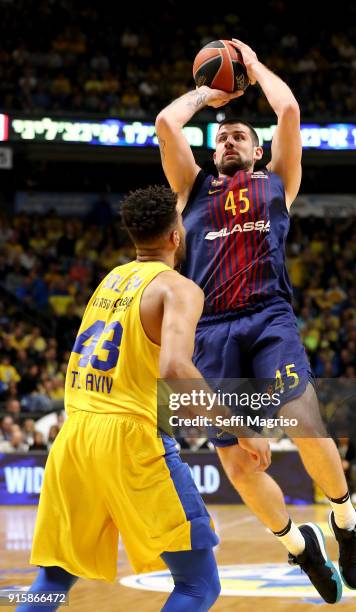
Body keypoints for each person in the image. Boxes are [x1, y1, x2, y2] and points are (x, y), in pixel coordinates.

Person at [156, 38, 356, 604]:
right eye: (222, 136)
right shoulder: (191, 187)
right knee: (239, 462)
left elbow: (290, 111)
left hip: (269, 317)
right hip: (212, 329)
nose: (228, 139)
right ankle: (301, 546)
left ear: (256, 152)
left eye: (240, 136)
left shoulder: (278, 182)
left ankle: (345, 520)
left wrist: (250, 67)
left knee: (304, 421)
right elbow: (165, 121)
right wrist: (209, 93)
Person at [17, 186, 269, 612]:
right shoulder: (178, 288)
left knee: (54, 577)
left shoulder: (109, 280)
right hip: (130, 439)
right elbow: (175, 369)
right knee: (197, 585)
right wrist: (241, 428)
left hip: (75, 435)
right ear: (176, 236)